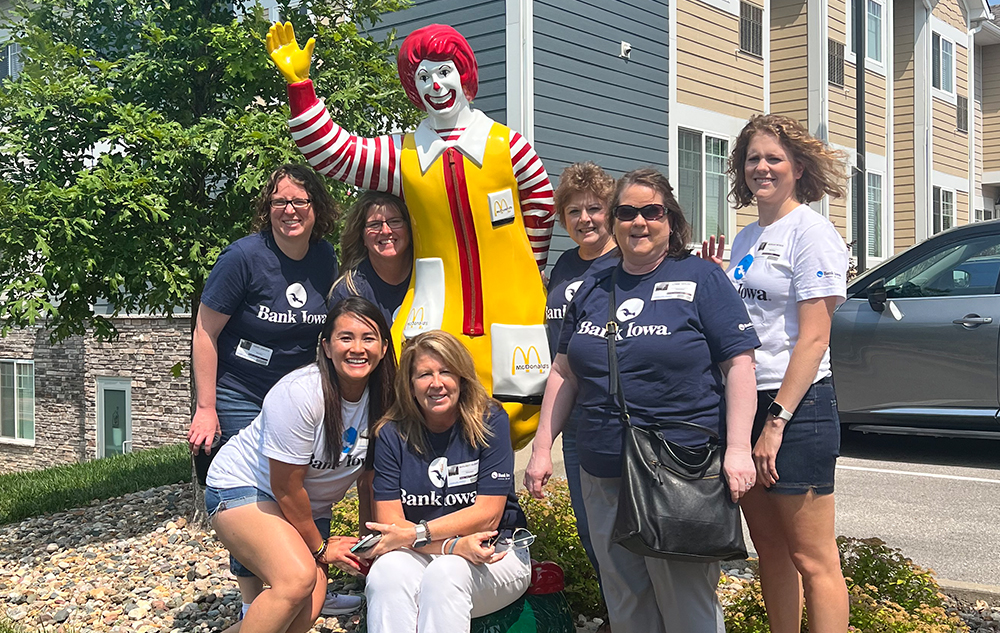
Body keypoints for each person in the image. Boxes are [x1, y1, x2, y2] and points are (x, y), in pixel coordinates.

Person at [266, 22, 556, 448]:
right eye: (423, 77)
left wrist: (527, 274)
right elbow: (335, 153)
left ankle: (496, 507)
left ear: (464, 74)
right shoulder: (404, 154)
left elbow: (541, 207)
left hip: (509, 306)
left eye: (443, 71)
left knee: (510, 415)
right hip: (437, 307)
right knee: (428, 407)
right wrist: (300, 85)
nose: (435, 85)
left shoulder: (510, 146)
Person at [525, 167, 760, 633]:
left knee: (686, 602)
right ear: (615, 222)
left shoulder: (701, 279)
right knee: (624, 595)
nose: (639, 222)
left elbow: (740, 366)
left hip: (679, 467)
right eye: (627, 212)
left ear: (670, 220)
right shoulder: (594, 286)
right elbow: (564, 371)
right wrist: (539, 449)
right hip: (602, 464)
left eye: (651, 212)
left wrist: (737, 449)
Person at [701, 114, 850, 633]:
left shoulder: (812, 233)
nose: (761, 168)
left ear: (798, 168)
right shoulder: (746, 237)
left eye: (773, 158)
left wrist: (777, 421)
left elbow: (813, 337)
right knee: (769, 552)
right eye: (752, 159)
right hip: (746, 401)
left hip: (798, 407)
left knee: (813, 558)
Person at [186, 163, 343, 614]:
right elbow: (205, 332)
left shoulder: (324, 258)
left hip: (298, 398)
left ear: (316, 208)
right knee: (257, 491)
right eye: (279, 202)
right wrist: (207, 406)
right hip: (242, 393)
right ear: (267, 208)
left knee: (307, 481)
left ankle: (311, 583)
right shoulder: (243, 258)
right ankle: (257, 600)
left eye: (299, 201)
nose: (289, 210)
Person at [205, 297, 397, 633]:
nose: (357, 348)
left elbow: (369, 481)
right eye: (345, 338)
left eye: (368, 338)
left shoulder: (385, 399)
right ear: (325, 346)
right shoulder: (300, 393)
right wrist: (321, 547)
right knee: (295, 580)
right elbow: (285, 486)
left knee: (305, 610)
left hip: (308, 507)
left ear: (383, 347)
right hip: (245, 487)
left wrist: (371, 547)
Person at [361, 330, 532, 633]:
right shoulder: (391, 433)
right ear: (410, 385)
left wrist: (417, 534)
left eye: (446, 372)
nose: (436, 383)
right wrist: (452, 545)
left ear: (462, 378)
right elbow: (390, 530)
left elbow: (488, 516)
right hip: (430, 552)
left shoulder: (489, 419)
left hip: (496, 553)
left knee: (446, 574)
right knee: (386, 572)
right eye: (424, 374)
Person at [538, 161, 617, 623]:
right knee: (590, 528)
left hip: (613, 414)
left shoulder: (624, 258)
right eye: (573, 211)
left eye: (594, 209)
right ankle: (615, 613)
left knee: (620, 528)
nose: (584, 219)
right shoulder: (566, 264)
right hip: (575, 414)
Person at [329, 191, 413, 325]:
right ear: (362, 236)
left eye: (395, 221)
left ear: (409, 228)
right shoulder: (348, 292)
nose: (386, 231)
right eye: (375, 224)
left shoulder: (432, 277)